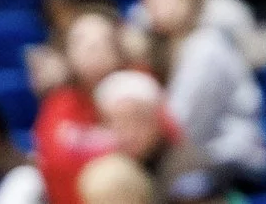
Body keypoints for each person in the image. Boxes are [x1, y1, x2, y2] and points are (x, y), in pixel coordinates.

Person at [128, 0, 266, 189]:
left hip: (230, 159)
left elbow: (181, 124)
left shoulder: (206, 47)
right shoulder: (158, 50)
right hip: (188, 156)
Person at [35, 8, 132, 204]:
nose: (93, 49)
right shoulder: (59, 104)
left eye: (102, 42)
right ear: (67, 52)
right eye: (82, 42)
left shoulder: (139, 90)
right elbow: (54, 161)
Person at [93, 69, 220, 201]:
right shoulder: (115, 173)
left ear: (156, 119)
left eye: (136, 119)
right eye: (117, 123)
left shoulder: (188, 166)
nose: (129, 133)